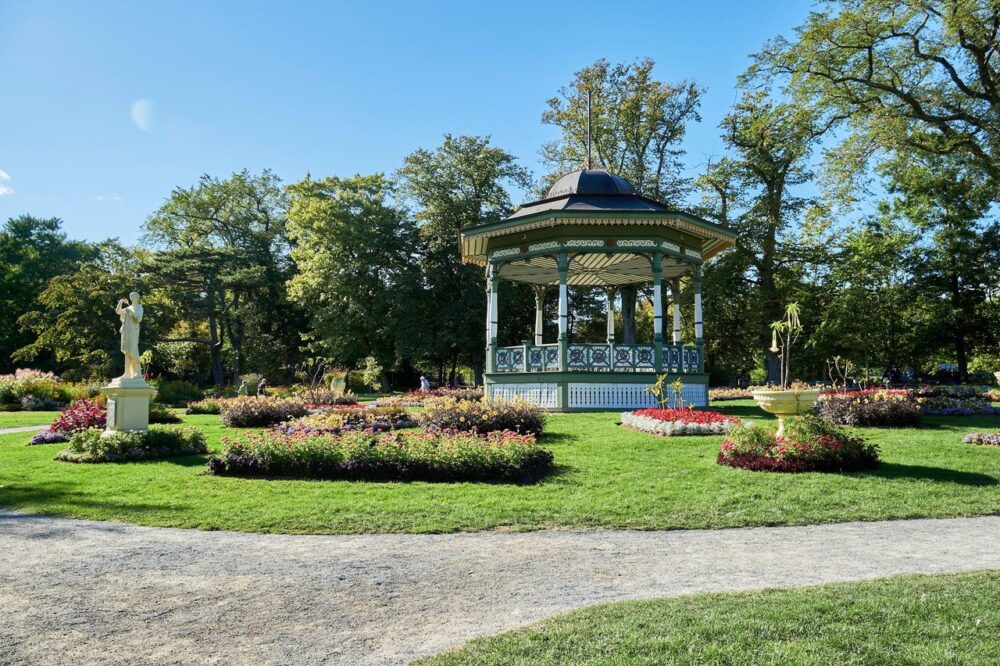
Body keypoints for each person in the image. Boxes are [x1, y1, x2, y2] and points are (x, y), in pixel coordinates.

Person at [115, 292, 144, 380]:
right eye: (131, 296)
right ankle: (127, 373)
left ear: (138, 297)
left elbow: (139, 319)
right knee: (127, 351)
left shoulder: (139, 307)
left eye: (134, 296)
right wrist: (121, 301)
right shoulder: (128, 308)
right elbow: (118, 311)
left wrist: (130, 311)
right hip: (126, 332)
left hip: (133, 332)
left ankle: (138, 372)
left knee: (133, 350)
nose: (132, 297)